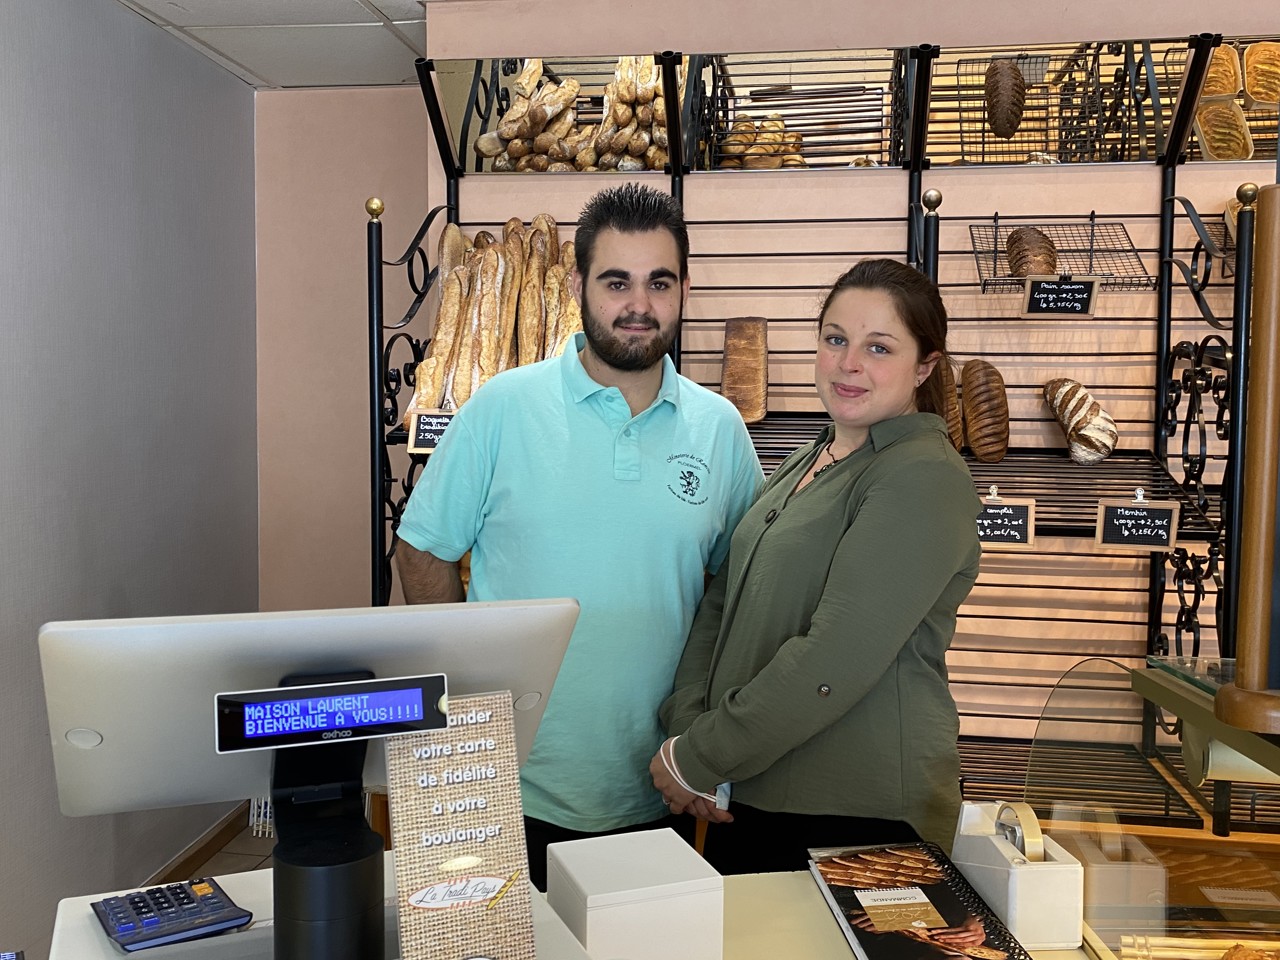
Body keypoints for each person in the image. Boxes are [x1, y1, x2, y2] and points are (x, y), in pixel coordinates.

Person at [395, 182, 763, 888]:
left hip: (659, 783)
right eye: (616, 281)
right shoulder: (502, 406)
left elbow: (737, 589)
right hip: (508, 786)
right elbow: (422, 549)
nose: (638, 305)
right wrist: (470, 693)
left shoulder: (719, 431)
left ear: (685, 288)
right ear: (577, 285)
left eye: (659, 282)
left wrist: (708, 738)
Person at [650, 258, 981, 874]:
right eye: (835, 339)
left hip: (858, 818)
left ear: (926, 366)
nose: (849, 363)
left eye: (878, 347)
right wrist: (689, 729)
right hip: (751, 795)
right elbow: (722, 604)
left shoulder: (921, 478)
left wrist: (700, 755)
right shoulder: (810, 457)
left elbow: (832, 659)